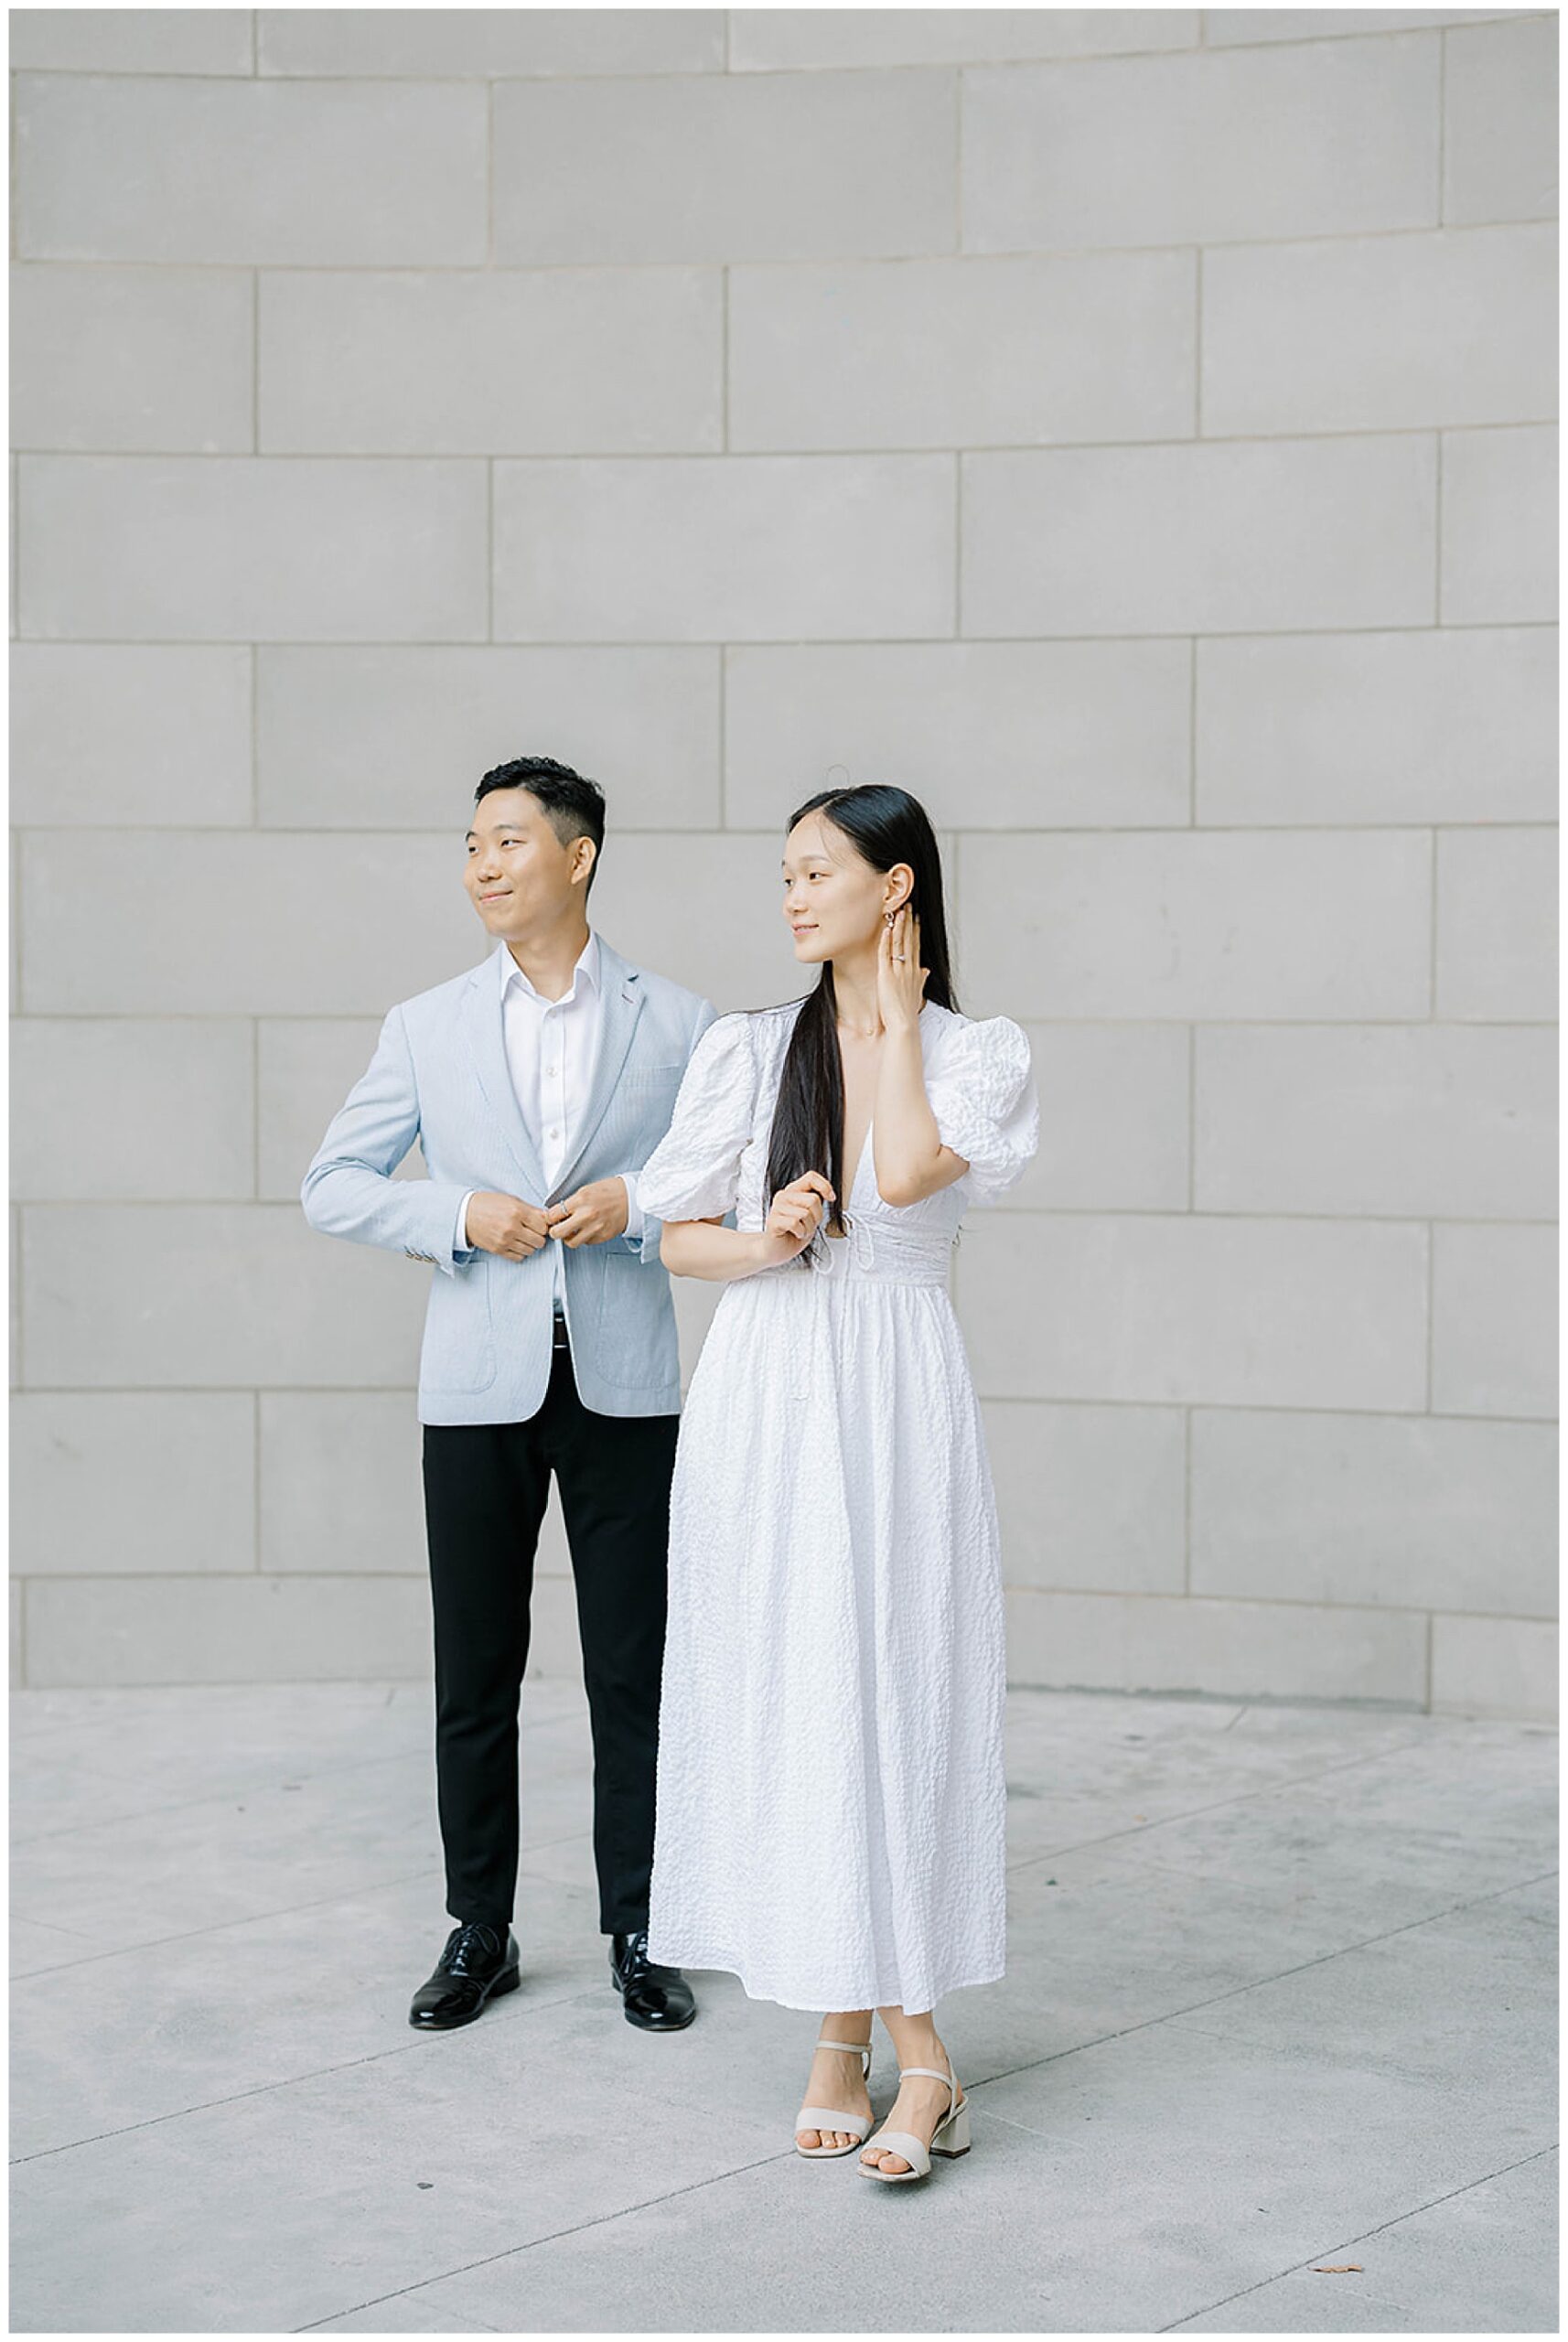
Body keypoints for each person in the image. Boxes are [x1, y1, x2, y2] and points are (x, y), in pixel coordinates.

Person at [635, 781, 1040, 2184]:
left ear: (896, 888)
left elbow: (918, 1170)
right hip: (769, 1393)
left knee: (897, 1690)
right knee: (801, 1692)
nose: (793, 896)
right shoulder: (750, 1050)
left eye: (819, 872)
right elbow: (673, 1238)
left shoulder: (974, 1049)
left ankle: (896, 2044)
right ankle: (852, 2033)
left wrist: (890, 1028)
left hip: (897, 1395)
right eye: (785, 875)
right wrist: (761, 1240)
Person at [301, 755, 714, 2036]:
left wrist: (633, 1210)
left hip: (624, 1387)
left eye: (508, 841)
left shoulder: (678, 1019)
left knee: (634, 1673)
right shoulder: (424, 1024)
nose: (482, 865)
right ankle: (477, 1929)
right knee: (472, 1673)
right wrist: (458, 1213)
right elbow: (333, 1183)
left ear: (576, 856)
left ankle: (643, 1927)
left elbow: (719, 1185)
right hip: (474, 1389)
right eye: (471, 844)